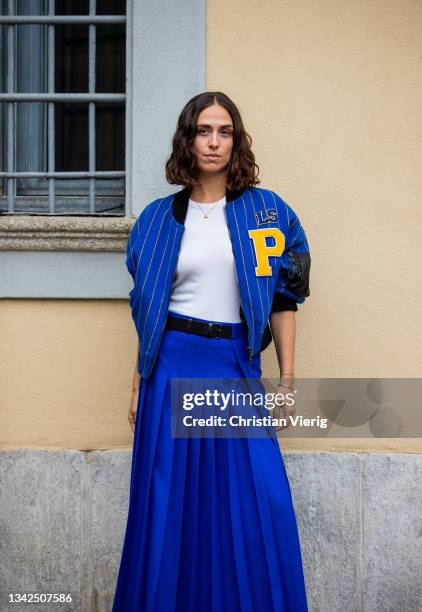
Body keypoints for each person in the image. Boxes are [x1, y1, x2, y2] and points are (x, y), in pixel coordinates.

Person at [112, 91, 311, 611]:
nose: (214, 141)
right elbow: (148, 310)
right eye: (204, 131)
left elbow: (285, 300)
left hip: (234, 366)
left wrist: (286, 385)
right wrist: (137, 381)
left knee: (254, 500)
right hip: (170, 364)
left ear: (236, 140)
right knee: (168, 503)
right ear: (188, 138)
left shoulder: (268, 212)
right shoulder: (156, 220)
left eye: (224, 131)